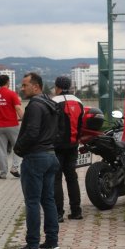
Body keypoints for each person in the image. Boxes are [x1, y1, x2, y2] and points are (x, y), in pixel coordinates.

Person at [13, 72, 60, 249]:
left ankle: (32, 244)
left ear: (36, 86)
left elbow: (31, 132)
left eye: (25, 85)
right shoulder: (51, 104)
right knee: (48, 200)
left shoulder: (34, 106)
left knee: (32, 201)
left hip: (35, 157)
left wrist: (18, 149)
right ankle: (51, 241)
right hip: (51, 156)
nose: (22, 88)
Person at [51, 76, 84, 222]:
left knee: (56, 179)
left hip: (57, 147)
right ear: (70, 86)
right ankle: (76, 211)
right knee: (72, 178)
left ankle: (58, 214)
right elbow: (81, 124)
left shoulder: (53, 102)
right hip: (73, 145)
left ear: (57, 87)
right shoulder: (79, 102)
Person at [0, 74, 24, 179]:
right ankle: (15, 168)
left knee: (1, 149)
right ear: (8, 82)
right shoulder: (12, 94)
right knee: (18, 147)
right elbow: (18, 109)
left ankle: (3, 173)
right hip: (12, 125)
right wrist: (26, 121)